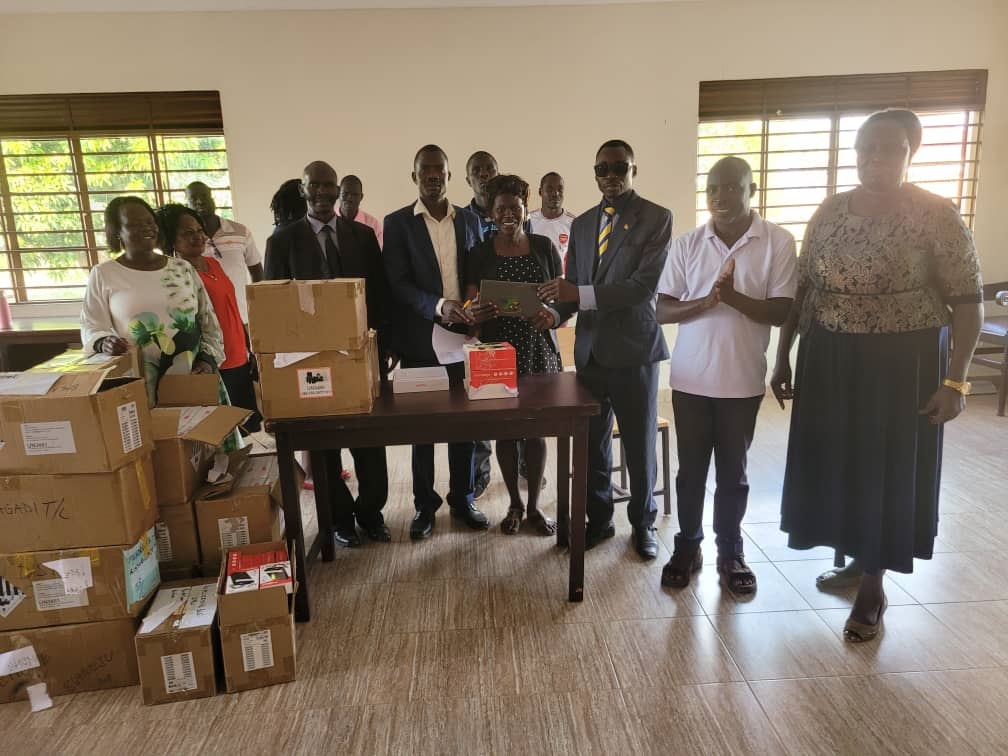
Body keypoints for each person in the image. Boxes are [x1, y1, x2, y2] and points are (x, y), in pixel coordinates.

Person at [771, 109, 983, 642]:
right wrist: (782, 354)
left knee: (885, 468)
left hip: (902, 362)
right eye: (866, 148)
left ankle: (873, 585)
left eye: (889, 149)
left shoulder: (936, 214)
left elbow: (968, 305)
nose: (875, 159)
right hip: (830, 355)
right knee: (841, 462)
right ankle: (855, 557)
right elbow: (803, 290)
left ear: (911, 153)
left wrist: (956, 382)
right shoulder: (831, 210)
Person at [656, 157, 797, 592]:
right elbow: (661, 309)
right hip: (691, 379)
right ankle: (687, 545)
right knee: (690, 471)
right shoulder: (687, 244)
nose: (721, 197)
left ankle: (731, 551)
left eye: (733, 187)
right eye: (713, 188)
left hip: (741, 381)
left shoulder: (777, 241)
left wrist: (732, 297)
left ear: (751, 190)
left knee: (733, 473)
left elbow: (780, 311)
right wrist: (706, 302)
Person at [540, 139, 672, 560]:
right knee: (592, 445)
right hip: (591, 353)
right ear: (594, 173)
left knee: (638, 445)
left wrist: (577, 294)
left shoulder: (656, 217)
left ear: (634, 168)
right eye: (602, 169)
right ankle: (599, 521)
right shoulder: (582, 225)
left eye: (619, 167)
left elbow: (641, 288)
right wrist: (554, 314)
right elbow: (572, 288)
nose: (611, 176)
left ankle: (643, 525)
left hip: (635, 353)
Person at [264, 160, 392, 546]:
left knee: (370, 441)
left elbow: (380, 296)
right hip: (310, 363)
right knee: (325, 446)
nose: (322, 193)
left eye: (328, 187)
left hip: (360, 357)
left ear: (339, 192)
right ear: (303, 191)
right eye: (314, 186)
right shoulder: (282, 241)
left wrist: (386, 347)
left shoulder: (362, 236)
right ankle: (337, 520)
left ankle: (371, 514)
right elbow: (274, 308)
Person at [382, 144, 486, 540]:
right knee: (422, 427)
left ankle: (463, 498)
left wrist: (474, 306)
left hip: (463, 340)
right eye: (424, 170)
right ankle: (424, 506)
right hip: (420, 340)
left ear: (448, 175)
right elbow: (398, 284)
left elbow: (474, 271)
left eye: (438, 170)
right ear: (414, 177)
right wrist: (440, 305)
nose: (432, 176)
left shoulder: (469, 221)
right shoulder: (398, 224)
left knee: (464, 424)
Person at [465, 174, 563, 536]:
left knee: (536, 433)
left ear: (524, 209)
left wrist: (550, 312)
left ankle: (535, 507)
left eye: (515, 207)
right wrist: (476, 310)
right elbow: (470, 298)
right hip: (498, 351)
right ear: (491, 213)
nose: (508, 213)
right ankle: (515, 505)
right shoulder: (479, 252)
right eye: (501, 208)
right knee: (505, 433)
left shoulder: (544, 247)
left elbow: (560, 296)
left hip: (538, 347)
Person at [81, 196, 224, 408]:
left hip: (193, 378)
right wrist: (104, 342)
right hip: (141, 384)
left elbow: (208, 322)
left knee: (200, 438)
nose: (146, 228)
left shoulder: (182, 269)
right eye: (134, 225)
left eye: (149, 222)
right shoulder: (104, 274)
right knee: (155, 438)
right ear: (117, 232)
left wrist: (207, 360)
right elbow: (92, 326)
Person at [156, 203, 260, 432]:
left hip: (238, 356)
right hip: (213, 363)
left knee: (248, 428)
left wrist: (248, 346)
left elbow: (231, 306)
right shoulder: (174, 275)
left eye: (199, 231)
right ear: (171, 240)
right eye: (188, 233)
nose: (198, 237)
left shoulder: (213, 263)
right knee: (222, 433)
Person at [460, 150, 501, 500]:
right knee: (481, 398)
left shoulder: (514, 212)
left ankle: (521, 465)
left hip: (512, 317)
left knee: (513, 396)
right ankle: (480, 470)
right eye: (477, 171)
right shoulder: (462, 219)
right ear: (467, 179)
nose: (484, 175)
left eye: (489, 169)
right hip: (477, 319)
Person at [185, 181, 264, 325]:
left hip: (242, 318)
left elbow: (257, 271)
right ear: (187, 204)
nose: (200, 201)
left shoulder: (240, 231)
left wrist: (257, 308)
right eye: (194, 198)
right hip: (205, 321)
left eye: (204, 195)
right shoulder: (187, 242)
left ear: (212, 198)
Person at [529, 172, 576, 270]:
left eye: (560, 189)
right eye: (550, 189)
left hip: (561, 282)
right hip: (533, 280)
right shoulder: (529, 220)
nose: (555, 193)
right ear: (540, 192)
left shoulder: (574, 223)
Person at [336, 175, 384, 248]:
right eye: (345, 193)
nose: (349, 198)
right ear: (338, 193)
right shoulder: (329, 220)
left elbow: (376, 255)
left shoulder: (373, 224)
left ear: (361, 197)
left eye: (355, 195)